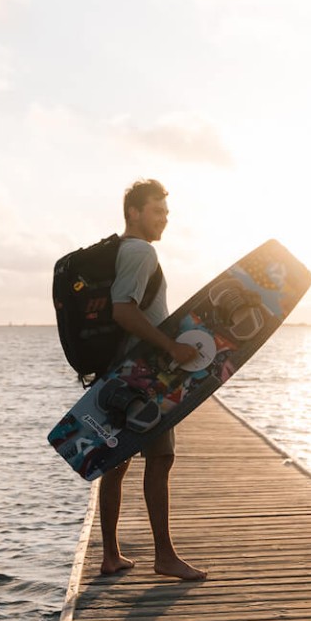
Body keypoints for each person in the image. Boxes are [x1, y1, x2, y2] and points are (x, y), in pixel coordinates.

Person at [98, 178, 207, 581]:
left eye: (166, 212)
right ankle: (165, 556)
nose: (164, 219)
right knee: (160, 459)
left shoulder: (121, 250)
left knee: (116, 462)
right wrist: (171, 347)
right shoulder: (140, 251)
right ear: (134, 212)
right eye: (157, 211)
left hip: (118, 372)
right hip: (143, 374)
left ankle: (111, 555)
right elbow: (123, 311)